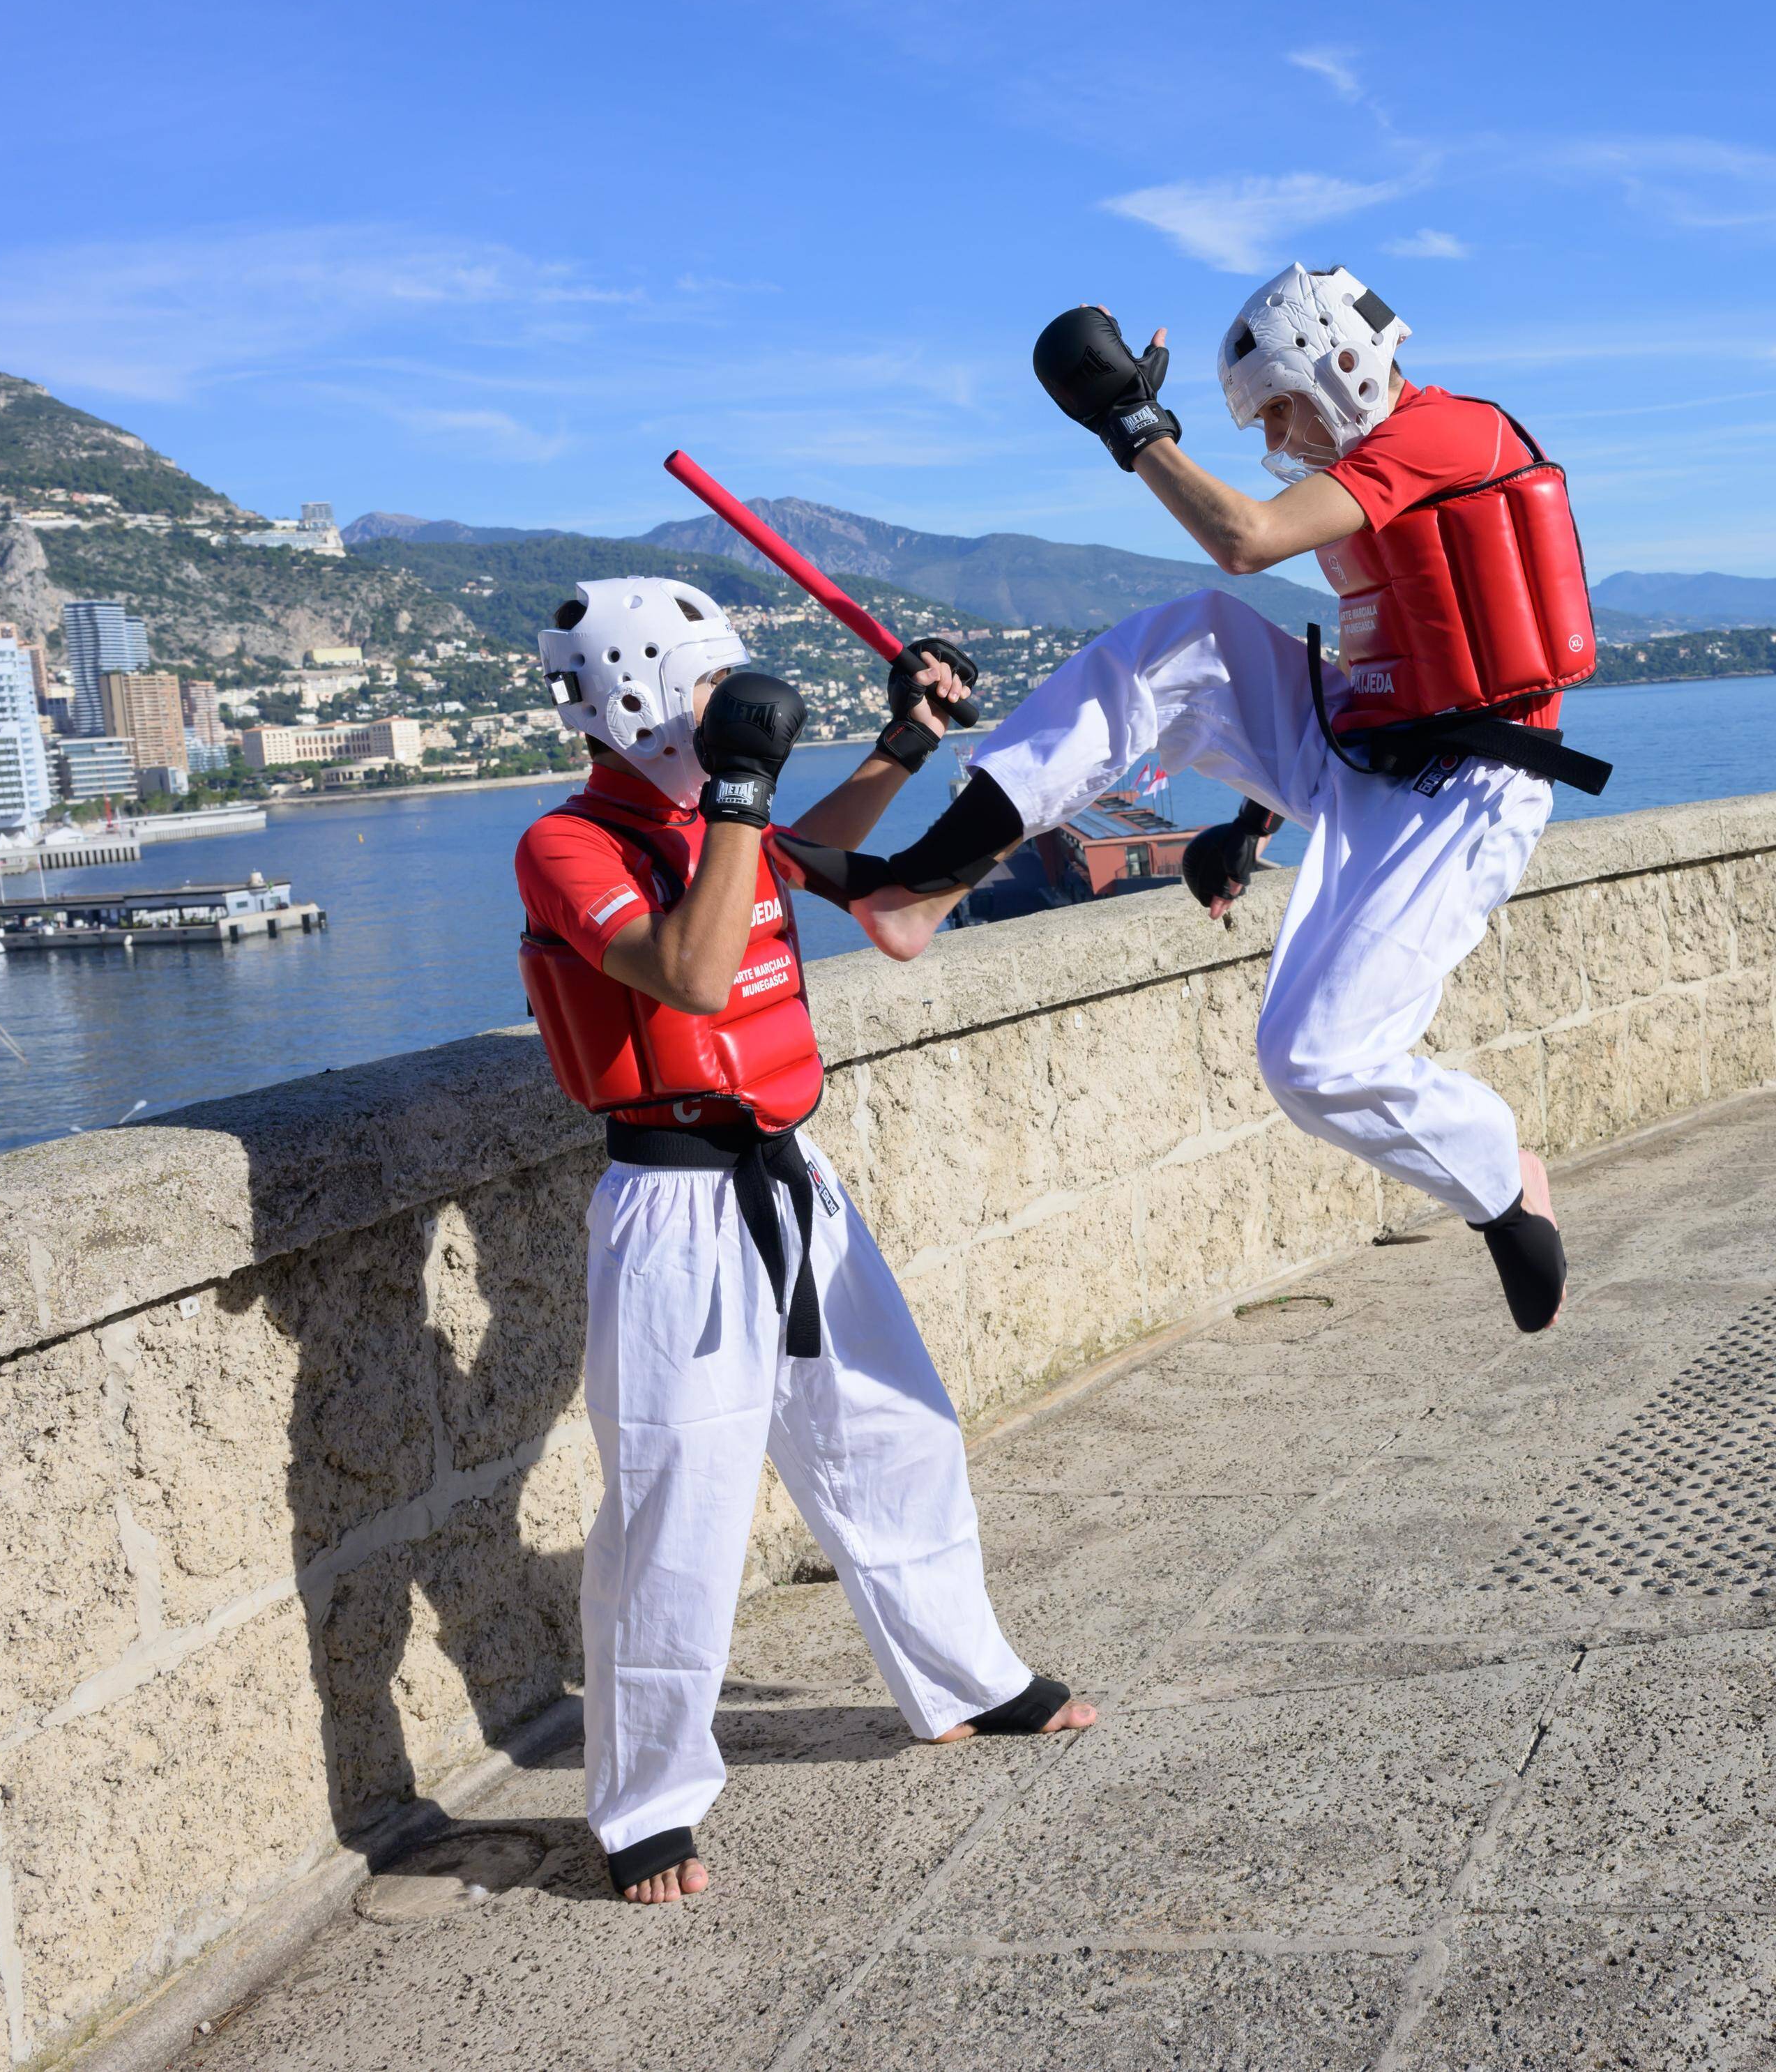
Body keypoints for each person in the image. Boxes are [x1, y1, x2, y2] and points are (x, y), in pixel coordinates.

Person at [807, 266, 1602, 1336]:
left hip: (1470, 784)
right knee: (1180, 644)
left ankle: (1500, 1177)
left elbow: (1249, 539)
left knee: (1313, 1058)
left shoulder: (1447, 434)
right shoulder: (1378, 468)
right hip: (1376, 746)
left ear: (1343, 360)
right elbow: (1387, 655)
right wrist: (1248, 819)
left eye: (1280, 404)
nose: (1279, 436)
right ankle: (925, 883)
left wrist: (1133, 426)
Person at [512, 577, 1094, 1906]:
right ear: (638, 692)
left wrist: (902, 748)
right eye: (707, 691)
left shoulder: (708, 820)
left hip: (788, 1175)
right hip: (673, 1207)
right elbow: (695, 974)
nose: (727, 712)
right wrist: (734, 792)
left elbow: (796, 863)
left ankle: (965, 1675)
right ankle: (649, 1801)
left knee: (896, 1432)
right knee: (680, 1509)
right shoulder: (567, 843)